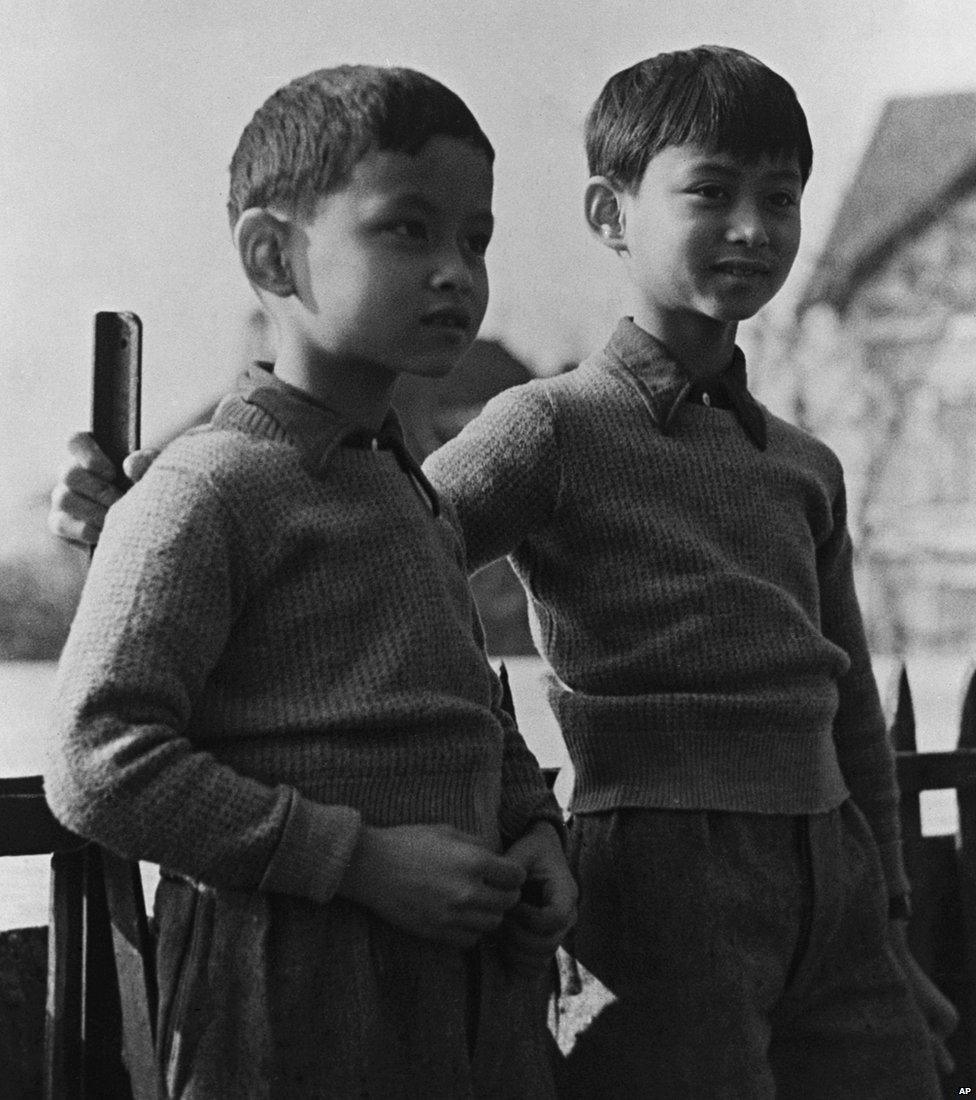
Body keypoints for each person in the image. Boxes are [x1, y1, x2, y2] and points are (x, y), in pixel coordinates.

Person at [49, 46, 955, 1099]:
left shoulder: (801, 464)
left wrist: (884, 915)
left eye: (782, 198)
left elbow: (842, 701)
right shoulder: (544, 427)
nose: (754, 227)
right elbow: (315, 524)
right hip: (625, 886)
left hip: (774, 884)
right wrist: (142, 492)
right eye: (712, 192)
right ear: (610, 215)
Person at [45, 64, 575, 1100]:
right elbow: (97, 756)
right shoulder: (209, 487)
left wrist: (535, 832)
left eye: (475, 240)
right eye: (407, 230)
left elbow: (475, 709)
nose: (454, 273)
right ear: (272, 253)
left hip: (471, 1001)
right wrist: (363, 860)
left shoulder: (412, 493)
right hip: (288, 999)